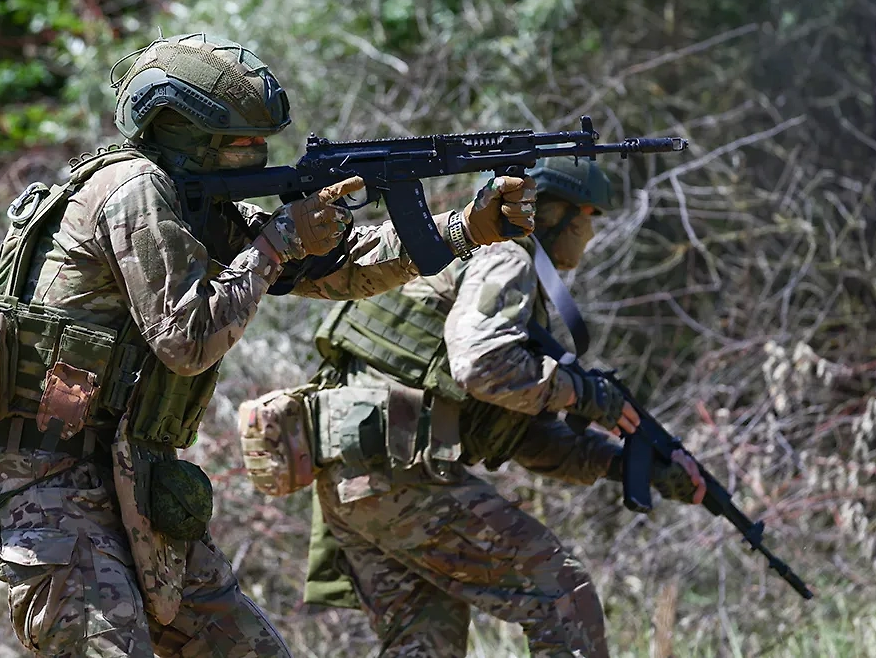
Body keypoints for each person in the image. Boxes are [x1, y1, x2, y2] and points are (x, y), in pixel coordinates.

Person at [0, 33, 535, 657]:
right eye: (239, 142)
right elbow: (186, 339)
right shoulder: (134, 191)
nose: (255, 154)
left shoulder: (192, 200)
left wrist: (464, 230)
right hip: (56, 488)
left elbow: (333, 269)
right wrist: (275, 247)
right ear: (181, 127)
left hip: (134, 479)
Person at [298, 157, 707, 658]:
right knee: (562, 596)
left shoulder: (464, 259)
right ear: (559, 215)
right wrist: (583, 395)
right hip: (395, 470)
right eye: (590, 216)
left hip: (355, 469)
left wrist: (624, 464)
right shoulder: (507, 257)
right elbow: (482, 364)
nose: (591, 232)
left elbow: (517, 436)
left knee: (426, 637)